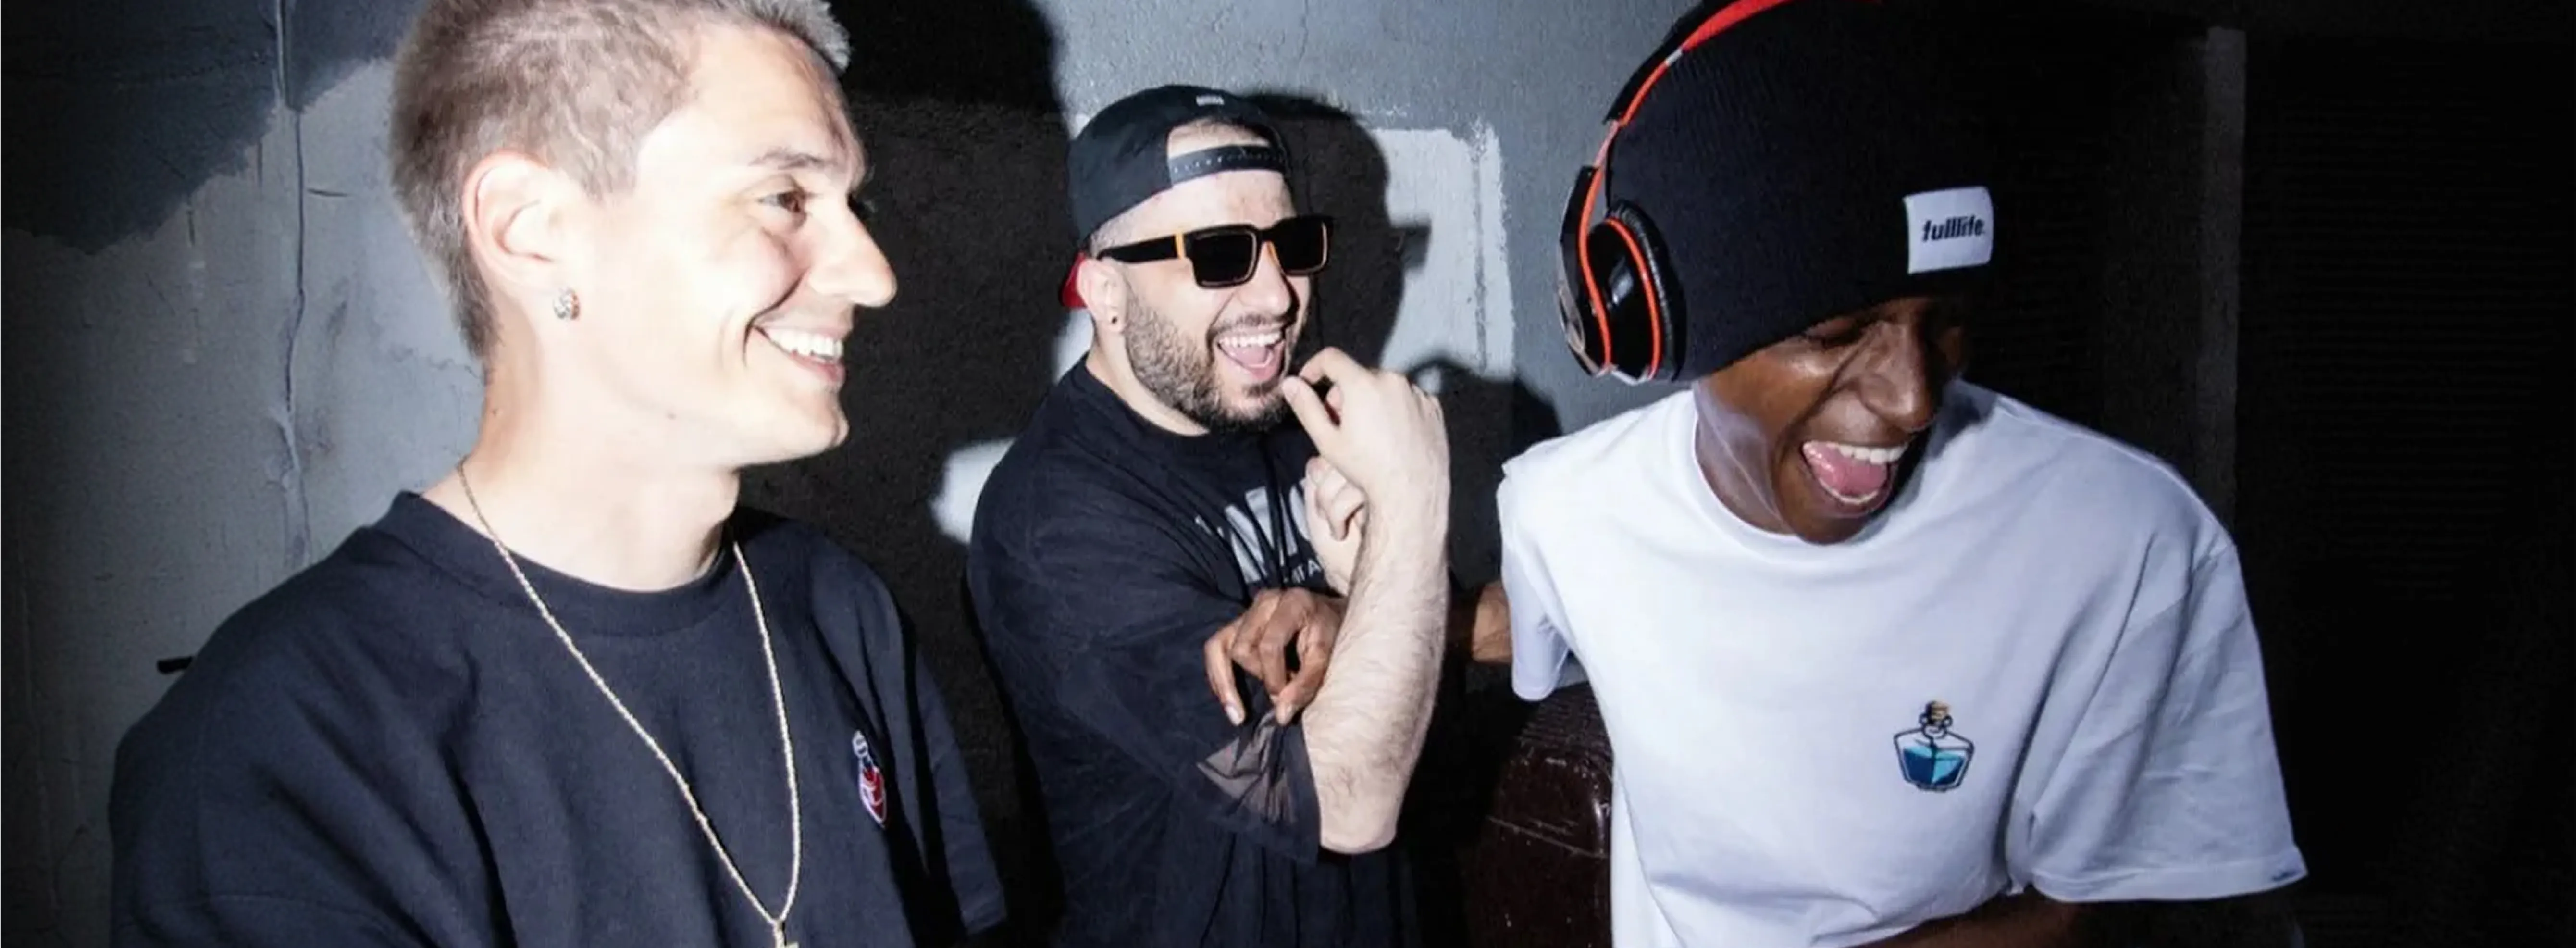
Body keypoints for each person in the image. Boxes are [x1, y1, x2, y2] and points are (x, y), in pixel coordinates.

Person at [107, 1, 1004, 945]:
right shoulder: (287, 743)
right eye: (784, 199)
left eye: (855, 206)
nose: (873, 274)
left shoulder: (837, 606)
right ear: (530, 231)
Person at [1486, 0, 2310, 946]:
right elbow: (1543, 615)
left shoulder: (2127, 541)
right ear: (1646, 326)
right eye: (1836, 333)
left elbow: (2118, 908)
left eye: (1945, 319)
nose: (1914, 399)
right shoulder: (1566, 509)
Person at [965, 86, 1455, 948]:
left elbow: (1484, 634)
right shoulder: (1052, 525)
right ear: (1106, 292)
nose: (1278, 295)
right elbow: (1345, 805)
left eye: (1291, 246)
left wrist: (1348, 609)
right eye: (1221, 254)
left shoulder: (1284, 418)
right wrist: (1414, 505)